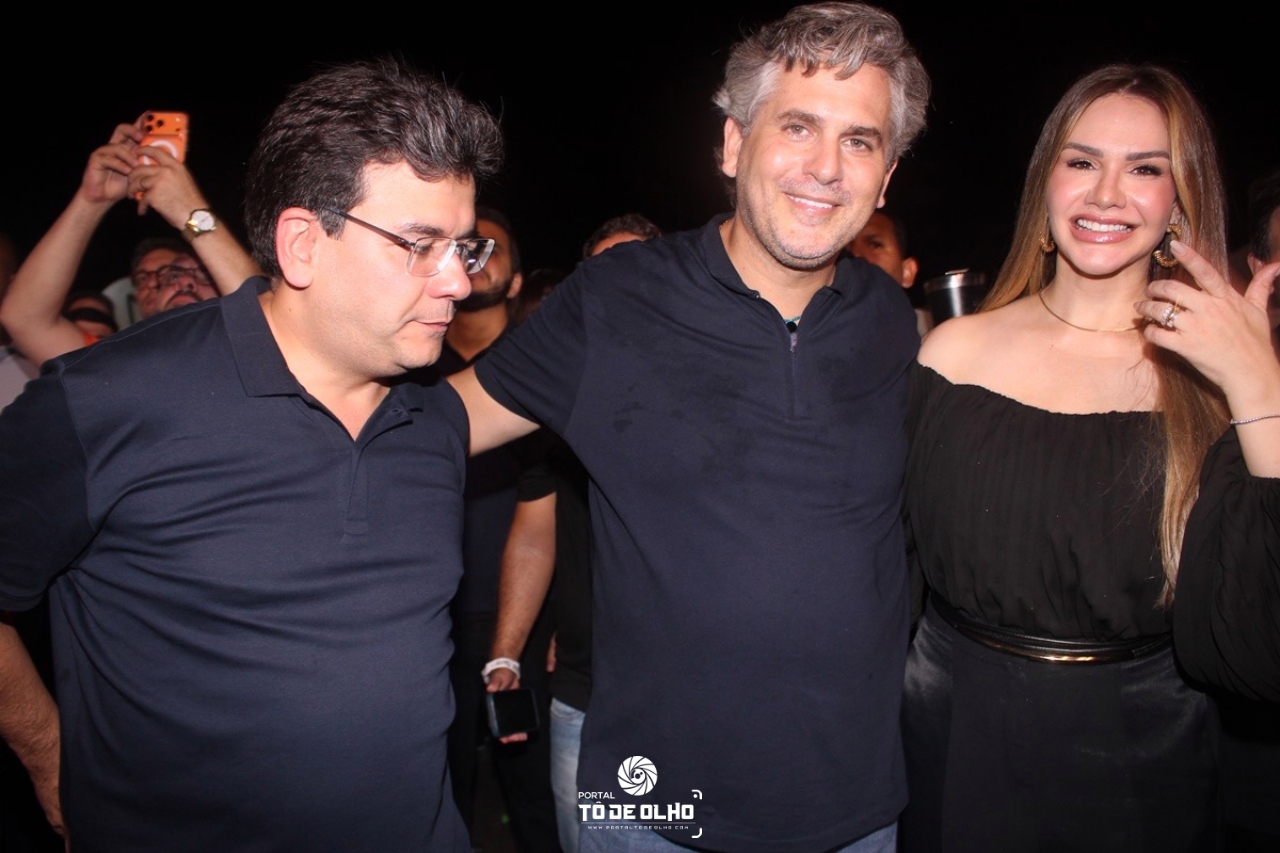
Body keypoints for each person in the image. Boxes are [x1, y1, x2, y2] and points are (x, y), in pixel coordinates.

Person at [448, 4, 930, 851]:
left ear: (885, 177)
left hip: (853, 814)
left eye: (859, 141)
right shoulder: (617, 298)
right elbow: (432, 428)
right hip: (654, 812)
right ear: (734, 144)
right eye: (799, 127)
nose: (826, 166)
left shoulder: (892, 322)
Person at [0, 57, 503, 851]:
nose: (458, 283)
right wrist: (49, 755)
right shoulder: (106, 400)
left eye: (462, 248)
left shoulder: (435, 417)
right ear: (302, 244)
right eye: (419, 245)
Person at [901, 63, 1280, 851]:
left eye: (1145, 169)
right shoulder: (951, 352)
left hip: (1144, 764)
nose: (1107, 194)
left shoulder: (1216, 387)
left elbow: (1263, 646)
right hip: (953, 738)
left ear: (1181, 204)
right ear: (1046, 182)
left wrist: (1257, 381)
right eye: (1082, 161)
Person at [436, 205, 559, 851]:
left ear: (514, 281)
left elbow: (566, 506)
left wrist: (566, 616)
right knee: (440, 789)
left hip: (525, 613)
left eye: (491, 246)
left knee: (534, 795)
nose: (474, 255)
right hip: (432, 614)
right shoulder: (407, 358)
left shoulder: (545, 364)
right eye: (462, 245)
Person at [0, 119, 258, 365]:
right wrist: (92, 200)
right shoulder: (119, 367)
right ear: (147, 306)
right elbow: (23, 317)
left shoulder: (260, 362)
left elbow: (262, 311)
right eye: (171, 276)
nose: (184, 282)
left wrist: (189, 210)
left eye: (204, 276)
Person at [847, 208, 929, 334]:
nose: (856, 254)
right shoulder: (820, 334)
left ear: (907, 272)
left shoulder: (937, 329)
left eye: (875, 245)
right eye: (845, 249)